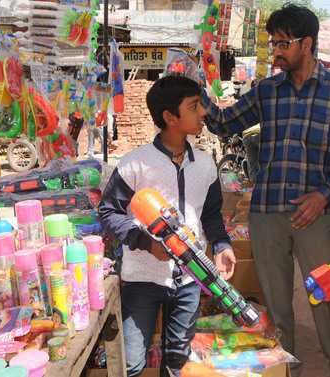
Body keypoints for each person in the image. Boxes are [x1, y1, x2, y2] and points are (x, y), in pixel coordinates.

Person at [201, 4, 330, 376]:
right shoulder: (267, 90)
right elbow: (225, 123)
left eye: (283, 43)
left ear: (307, 43)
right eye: (274, 44)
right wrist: (196, 92)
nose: (276, 52)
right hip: (268, 210)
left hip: (318, 213)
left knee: (328, 294)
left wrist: (323, 196)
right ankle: (285, 369)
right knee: (276, 299)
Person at [98, 76, 237, 377]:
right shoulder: (135, 165)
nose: (204, 113)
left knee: (176, 363)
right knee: (131, 362)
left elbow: (211, 216)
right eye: (194, 106)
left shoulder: (205, 164)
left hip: (191, 280)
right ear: (170, 117)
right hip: (142, 280)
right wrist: (147, 243)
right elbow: (109, 212)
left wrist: (223, 246)